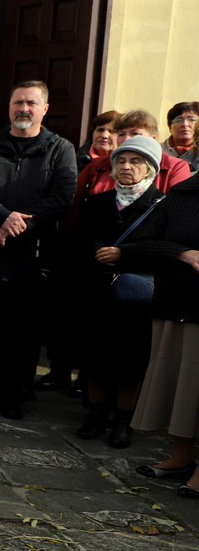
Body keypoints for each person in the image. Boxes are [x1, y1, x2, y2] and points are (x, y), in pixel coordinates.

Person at [0, 81, 77, 418]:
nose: (24, 108)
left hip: (30, 253)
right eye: (17, 102)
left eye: (31, 103)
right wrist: (2, 216)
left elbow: (62, 198)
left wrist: (22, 225)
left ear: (45, 109)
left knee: (21, 329)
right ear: (9, 107)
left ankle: (13, 393)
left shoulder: (60, 149)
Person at [69, 136, 165, 446]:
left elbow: (165, 250)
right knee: (95, 356)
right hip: (97, 291)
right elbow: (76, 242)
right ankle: (96, 413)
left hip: (136, 298)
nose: (126, 166)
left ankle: (124, 420)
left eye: (136, 161)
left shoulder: (161, 206)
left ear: (150, 168)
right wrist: (95, 251)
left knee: (131, 362)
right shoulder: (98, 202)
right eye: (121, 161)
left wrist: (126, 254)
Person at [124, 150, 199, 496]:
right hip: (174, 306)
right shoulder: (181, 194)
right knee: (180, 391)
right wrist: (182, 254)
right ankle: (180, 457)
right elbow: (144, 245)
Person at [166, 102, 199, 167]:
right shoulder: (158, 151)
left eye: (191, 119)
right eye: (179, 120)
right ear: (170, 127)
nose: (185, 124)